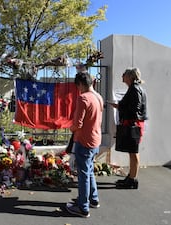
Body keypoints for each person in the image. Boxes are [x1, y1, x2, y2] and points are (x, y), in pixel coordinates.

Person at [66, 71, 103, 218]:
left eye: (78, 86)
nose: (78, 89)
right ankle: (93, 199)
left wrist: (71, 128)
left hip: (84, 141)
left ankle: (83, 207)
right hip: (95, 139)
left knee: (83, 175)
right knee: (89, 171)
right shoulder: (98, 97)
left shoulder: (83, 98)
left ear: (81, 84)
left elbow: (78, 124)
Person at [108, 67, 148, 189]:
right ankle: (131, 177)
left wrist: (119, 106)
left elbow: (134, 108)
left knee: (133, 152)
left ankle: (132, 180)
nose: (122, 76)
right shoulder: (135, 88)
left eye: (124, 74)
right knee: (132, 152)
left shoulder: (134, 89)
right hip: (135, 124)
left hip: (133, 125)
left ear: (130, 76)